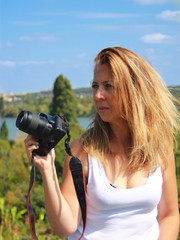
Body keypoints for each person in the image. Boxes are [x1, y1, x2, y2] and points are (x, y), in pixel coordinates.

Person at [24, 47, 179, 240]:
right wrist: (47, 170)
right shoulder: (82, 151)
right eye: (95, 86)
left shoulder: (160, 148)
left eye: (108, 86)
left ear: (134, 91)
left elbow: (169, 215)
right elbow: (65, 227)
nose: (98, 95)